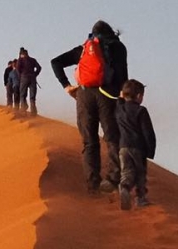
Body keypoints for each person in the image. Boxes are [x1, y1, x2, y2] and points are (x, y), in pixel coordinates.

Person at [50, 20, 129, 194]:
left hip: (84, 96)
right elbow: (123, 73)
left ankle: (93, 185)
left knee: (89, 141)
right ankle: (113, 180)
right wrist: (123, 98)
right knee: (112, 137)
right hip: (109, 95)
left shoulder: (85, 49)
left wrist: (67, 86)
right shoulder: (118, 47)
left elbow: (55, 62)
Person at [115, 79, 155, 210]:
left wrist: (121, 98)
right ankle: (141, 198)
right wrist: (150, 150)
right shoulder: (141, 111)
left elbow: (119, 102)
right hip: (138, 147)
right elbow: (148, 132)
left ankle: (125, 186)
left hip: (123, 147)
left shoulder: (119, 109)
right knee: (140, 173)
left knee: (126, 171)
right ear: (139, 96)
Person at [14, 47, 42, 113]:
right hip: (32, 78)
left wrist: (20, 75)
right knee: (32, 97)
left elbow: (17, 69)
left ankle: (23, 109)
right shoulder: (33, 60)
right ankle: (33, 112)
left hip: (24, 77)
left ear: (22, 54)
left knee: (23, 94)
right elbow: (39, 68)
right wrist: (35, 74)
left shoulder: (20, 60)